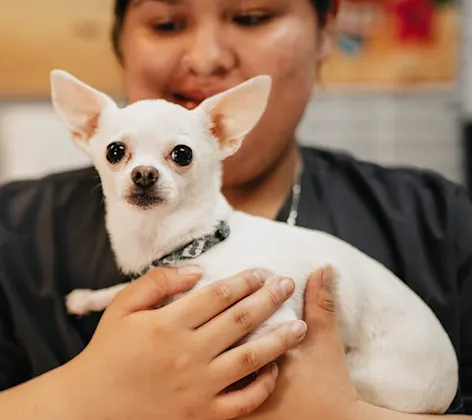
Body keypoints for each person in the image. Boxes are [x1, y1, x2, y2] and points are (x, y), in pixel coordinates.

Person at [0, 0, 470, 418]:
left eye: (251, 16)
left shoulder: (439, 221)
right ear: (118, 38)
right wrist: (85, 397)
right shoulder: (17, 230)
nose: (205, 57)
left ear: (327, 28)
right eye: (166, 23)